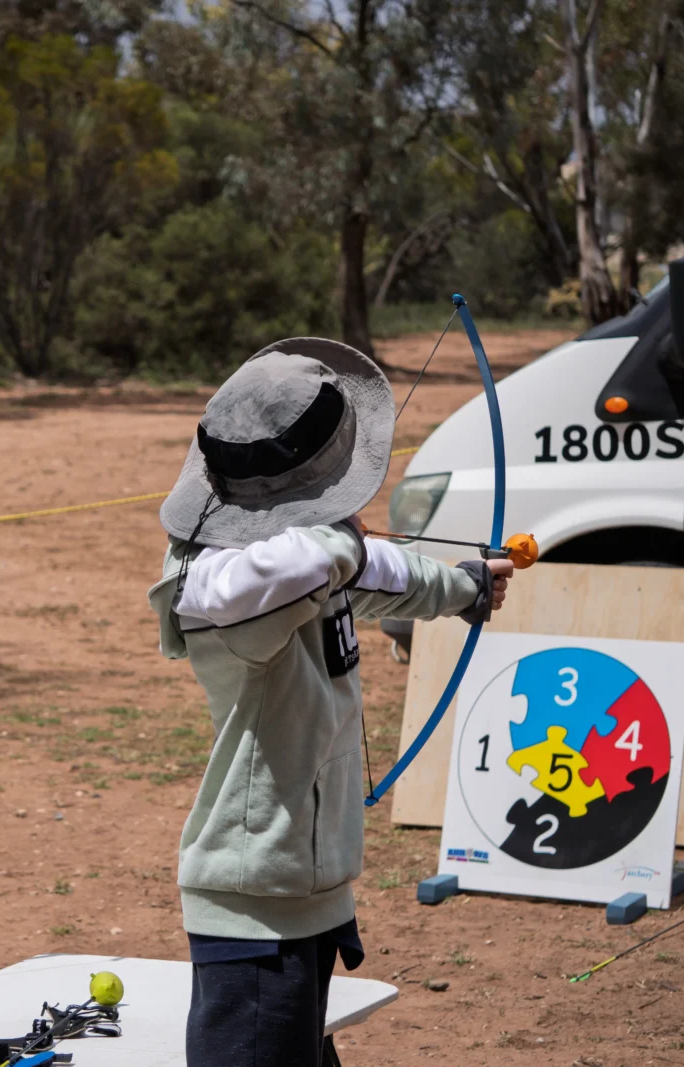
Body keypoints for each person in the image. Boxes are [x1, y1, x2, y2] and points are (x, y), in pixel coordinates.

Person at [147, 339, 514, 1067]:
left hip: (303, 893)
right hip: (253, 903)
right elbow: (309, 562)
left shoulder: (301, 559)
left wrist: (463, 586)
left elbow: (373, 567)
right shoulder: (218, 587)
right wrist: (337, 533)